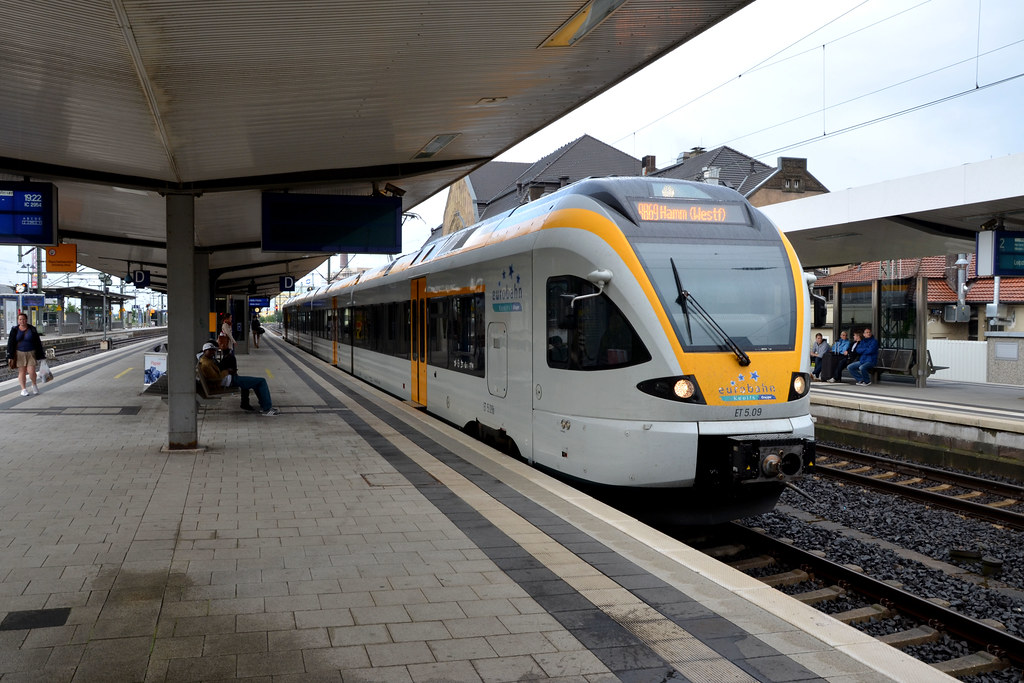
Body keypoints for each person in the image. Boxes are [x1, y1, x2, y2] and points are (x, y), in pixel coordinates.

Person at [198, 342, 279, 415]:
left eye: (213, 350)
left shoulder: (206, 360)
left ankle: (264, 406)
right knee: (261, 381)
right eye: (210, 350)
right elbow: (216, 378)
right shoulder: (206, 364)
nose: (213, 352)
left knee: (256, 382)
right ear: (205, 351)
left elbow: (216, 375)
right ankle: (267, 409)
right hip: (228, 381)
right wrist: (227, 371)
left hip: (228, 379)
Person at [6, 313, 46, 397]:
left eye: (23, 319)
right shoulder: (14, 330)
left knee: (31, 371)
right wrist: (10, 355)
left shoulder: (32, 329)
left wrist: (41, 355)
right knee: (22, 372)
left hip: (31, 352)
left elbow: (38, 343)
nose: (22, 321)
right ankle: (23, 389)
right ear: (18, 320)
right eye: (20, 319)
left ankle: (34, 384)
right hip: (19, 353)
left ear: (26, 320)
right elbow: (10, 343)